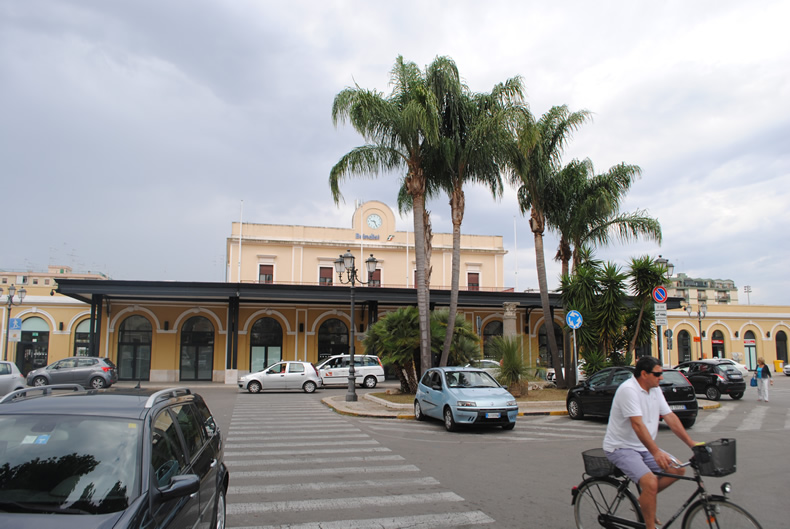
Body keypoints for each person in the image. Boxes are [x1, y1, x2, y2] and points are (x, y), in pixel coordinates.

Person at [603, 357, 699, 529]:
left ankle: (644, 499)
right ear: (644, 374)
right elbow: (637, 425)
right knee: (650, 482)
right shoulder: (628, 390)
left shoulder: (654, 389)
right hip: (621, 447)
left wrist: (691, 444)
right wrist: (656, 452)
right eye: (657, 374)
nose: (661, 377)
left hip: (643, 447)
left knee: (678, 469)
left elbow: (670, 417)